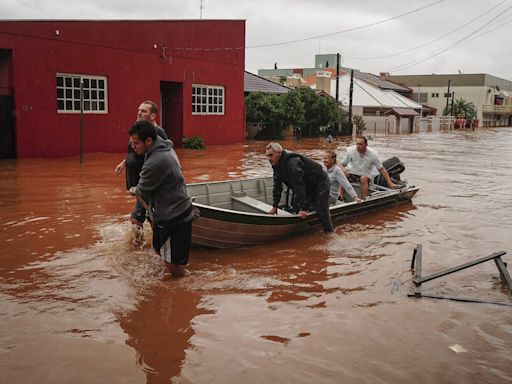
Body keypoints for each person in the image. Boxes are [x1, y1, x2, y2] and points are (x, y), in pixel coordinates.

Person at [128, 120, 193, 277]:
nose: (133, 147)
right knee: (165, 254)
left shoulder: (155, 162)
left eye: (136, 143)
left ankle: (181, 291)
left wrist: (135, 190)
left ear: (149, 141)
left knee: (171, 263)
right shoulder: (164, 146)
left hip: (172, 216)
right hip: (177, 208)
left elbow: (142, 190)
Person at [115, 100, 168, 226]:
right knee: (148, 213)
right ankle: (150, 240)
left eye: (143, 111)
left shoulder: (158, 132)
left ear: (153, 115)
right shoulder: (138, 129)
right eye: (138, 110)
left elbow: (166, 153)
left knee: (138, 218)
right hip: (139, 180)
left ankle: (145, 243)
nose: (139, 113)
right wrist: (124, 163)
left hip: (148, 181)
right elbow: (134, 151)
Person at [265, 142, 333, 233]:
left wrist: (303, 209)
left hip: (319, 183)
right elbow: (277, 185)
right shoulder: (276, 164)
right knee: (295, 204)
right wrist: (275, 206)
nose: (268, 159)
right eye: (267, 156)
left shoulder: (292, 163)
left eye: (271, 155)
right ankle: (307, 227)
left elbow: (299, 185)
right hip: (307, 184)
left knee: (321, 208)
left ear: (279, 153)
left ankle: (329, 233)